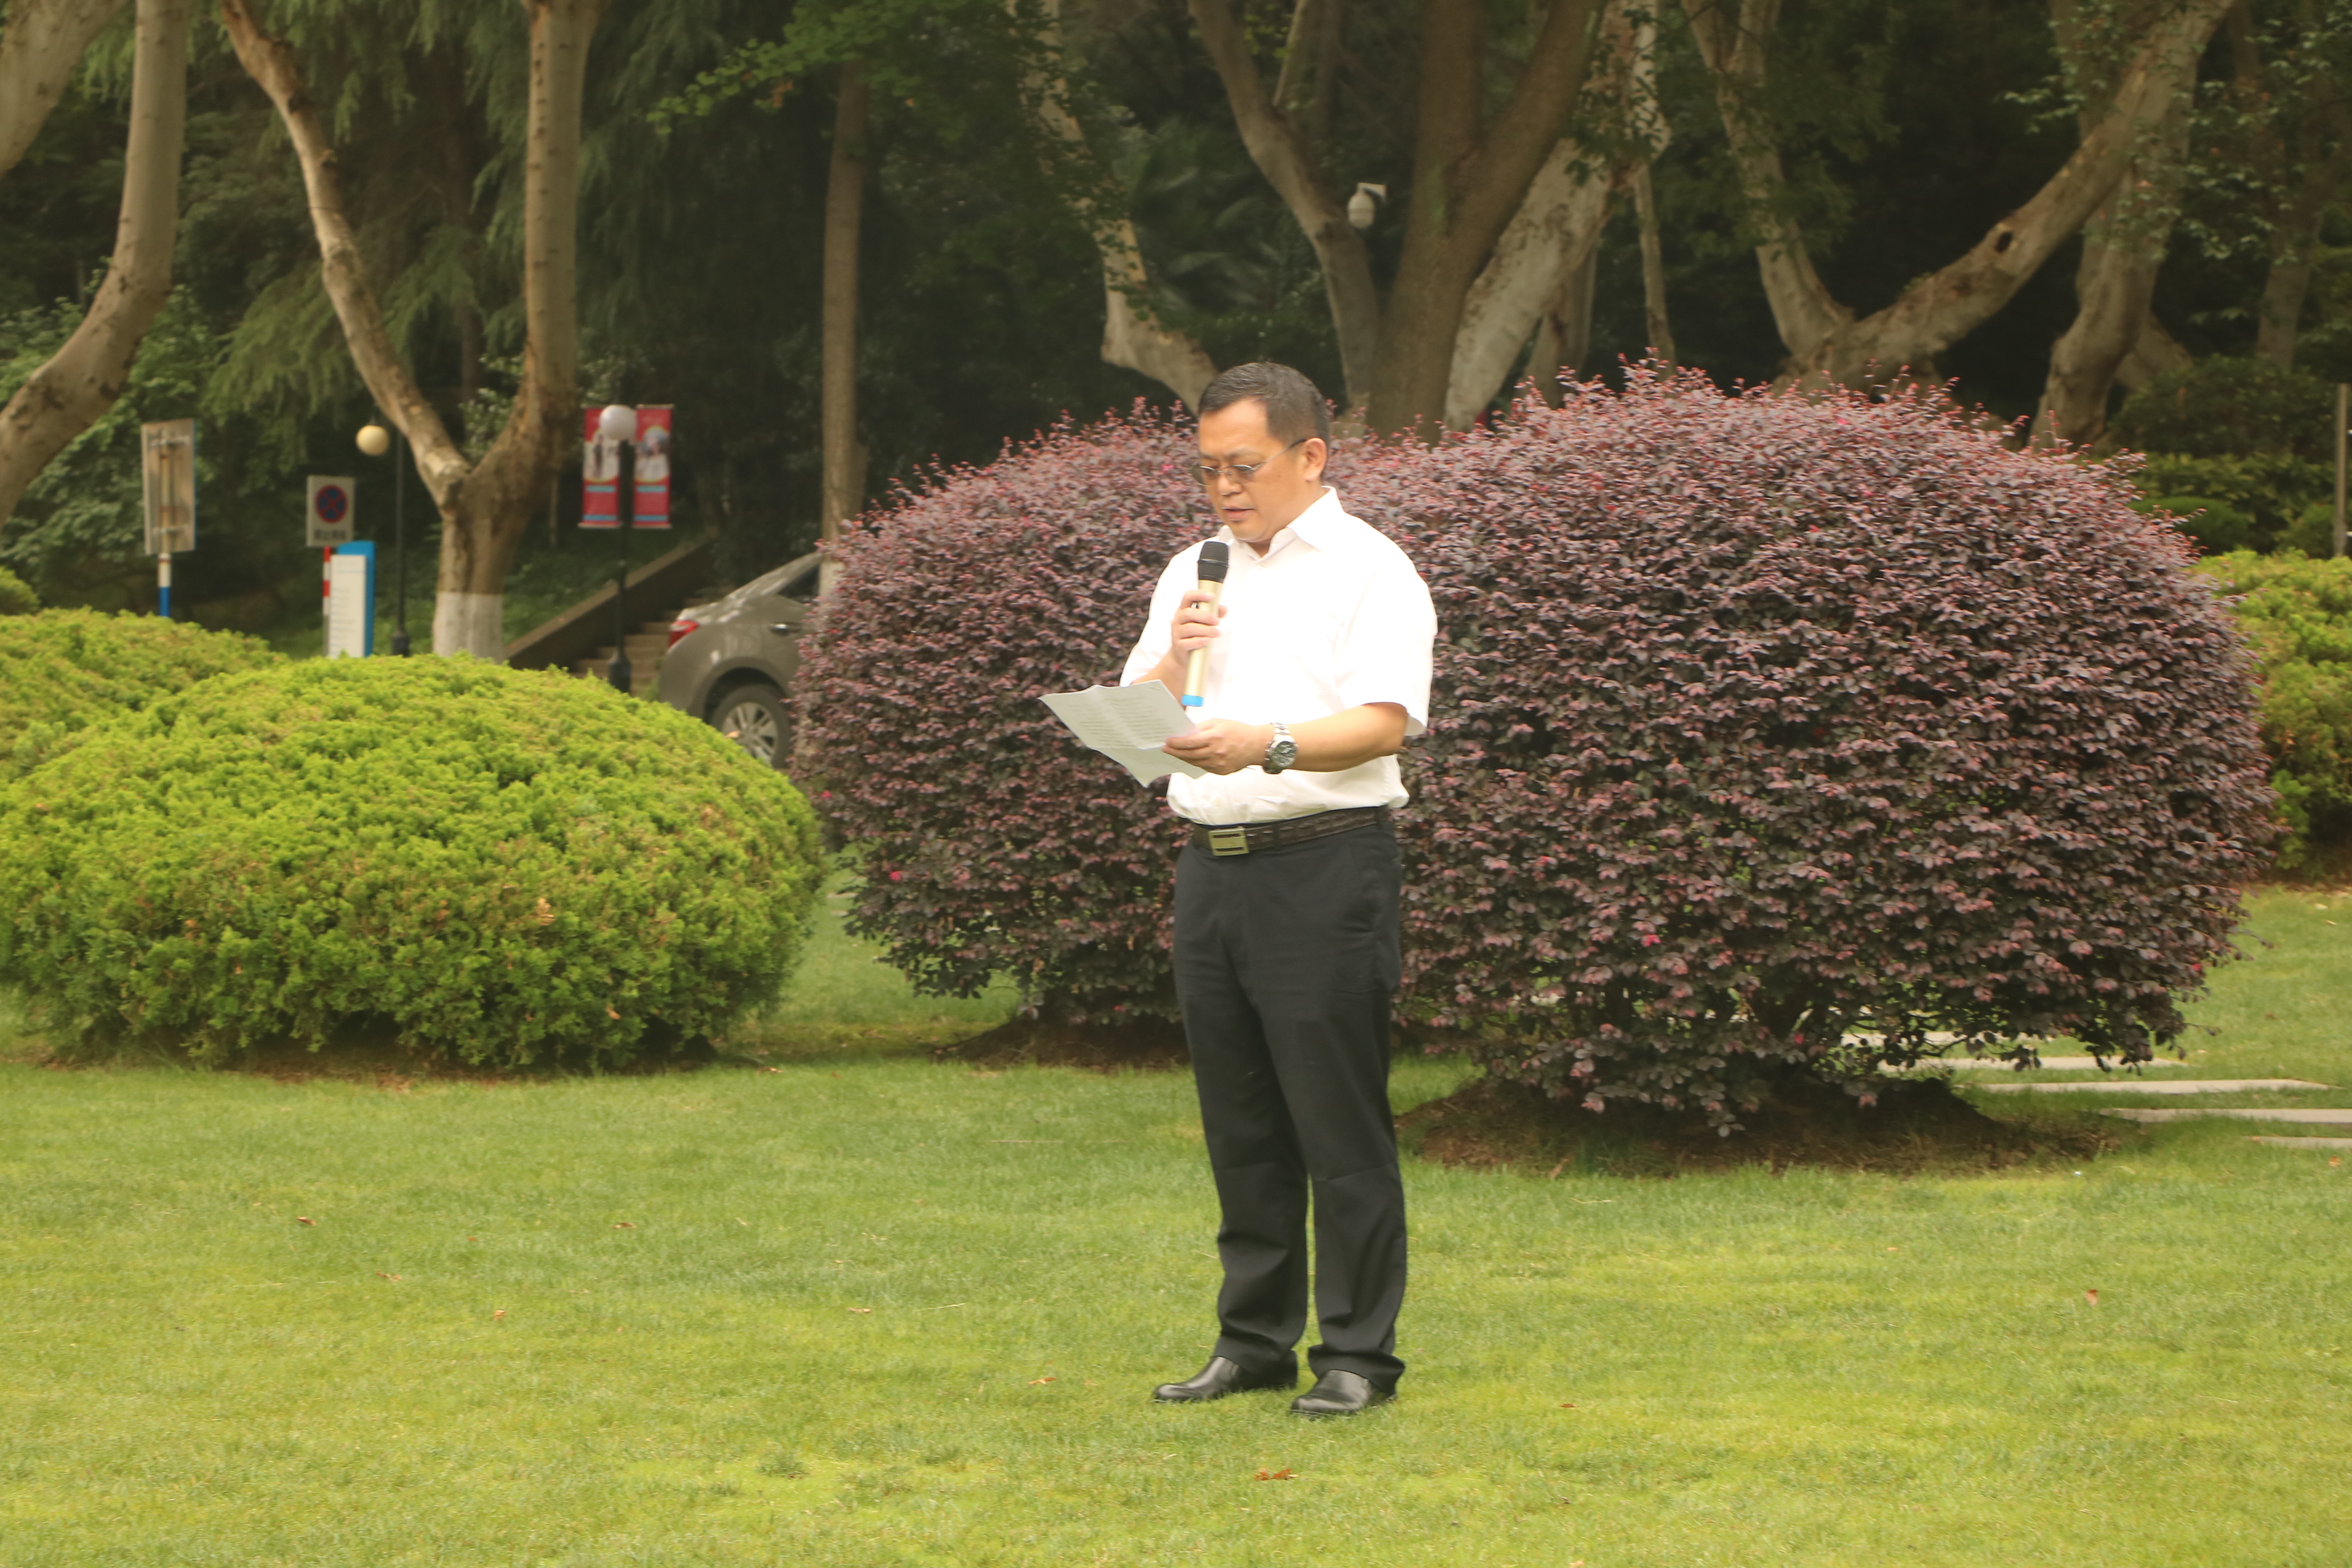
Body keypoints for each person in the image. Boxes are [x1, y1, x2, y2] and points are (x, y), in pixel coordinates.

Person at [1122, 362, 1438, 1417]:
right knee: (1242, 1123)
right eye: (1208, 469)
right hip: (1211, 872)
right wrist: (1174, 660)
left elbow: (1385, 722)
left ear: (1311, 456)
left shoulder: (1370, 569)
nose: (1223, 488)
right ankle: (1252, 1341)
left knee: (1336, 1125)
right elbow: (1140, 716)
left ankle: (1357, 1355)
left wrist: (1269, 743)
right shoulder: (1193, 569)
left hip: (1325, 866)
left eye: (1243, 466)